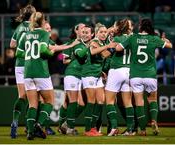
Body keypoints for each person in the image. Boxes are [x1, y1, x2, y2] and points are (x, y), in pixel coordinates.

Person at [17, 11, 79, 140]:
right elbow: (44, 50)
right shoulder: (44, 34)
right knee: (49, 101)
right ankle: (39, 124)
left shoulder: (26, 34)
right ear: (43, 22)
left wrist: (30, 56)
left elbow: (18, 52)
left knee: (33, 104)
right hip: (41, 71)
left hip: (28, 72)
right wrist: (49, 54)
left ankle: (30, 132)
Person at [114, 18, 172, 135]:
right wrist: (164, 39)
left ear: (140, 26)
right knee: (152, 100)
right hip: (150, 75)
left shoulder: (132, 37)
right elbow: (169, 46)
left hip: (136, 75)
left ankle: (143, 130)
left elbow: (118, 48)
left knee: (139, 102)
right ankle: (154, 121)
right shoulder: (154, 39)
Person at [81, 23, 116, 136]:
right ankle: (88, 129)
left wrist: (111, 48)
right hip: (89, 74)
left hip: (97, 75)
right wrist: (109, 46)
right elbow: (92, 52)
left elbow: (104, 54)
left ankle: (93, 127)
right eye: (101, 32)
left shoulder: (101, 43)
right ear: (96, 33)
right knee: (91, 101)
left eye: (105, 32)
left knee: (100, 101)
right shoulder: (93, 42)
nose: (103, 34)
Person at [9, 4, 36, 139]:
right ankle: (28, 125)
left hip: (19, 65)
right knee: (34, 98)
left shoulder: (19, 27)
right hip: (31, 64)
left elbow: (12, 45)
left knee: (22, 96)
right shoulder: (35, 27)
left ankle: (15, 121)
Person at [105, 18, 135, 136]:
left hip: (117, 70)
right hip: (129, 71)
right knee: (128, 103)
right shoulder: (133, 39)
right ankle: (130, 129)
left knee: (109, 101)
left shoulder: (117, 39)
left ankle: (113, 127)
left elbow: (107, 53)